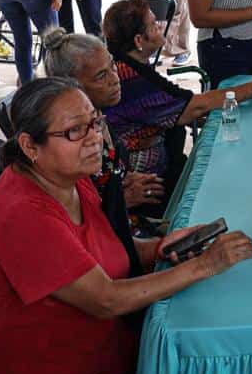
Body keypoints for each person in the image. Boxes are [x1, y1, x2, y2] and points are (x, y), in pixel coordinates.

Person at [0, 77, 252, 374]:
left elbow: (103, 247)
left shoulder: (68, 177)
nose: (94, 137)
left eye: (95, 122)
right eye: (74, 131)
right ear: (29, 146)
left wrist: (159, 247)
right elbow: (106, 299)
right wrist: (205, 265)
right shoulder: (24, 214)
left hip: (95, 357)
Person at [101, 0, 252, 204]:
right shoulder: (133, 79)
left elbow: (176, 107)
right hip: (147, 181)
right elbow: (194, 106)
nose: (160, 26)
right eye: (154, 24)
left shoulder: (128, 66)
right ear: (139, 40)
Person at [42, 27, 165, 260]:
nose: (115, 79)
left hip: (123, 227)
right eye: (101, 76)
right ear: (71, 87)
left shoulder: (97, 118)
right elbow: (74, 224)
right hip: (101, 249)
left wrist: (120, 181)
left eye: (112, 66)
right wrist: (120, 201)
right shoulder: (68, 144)